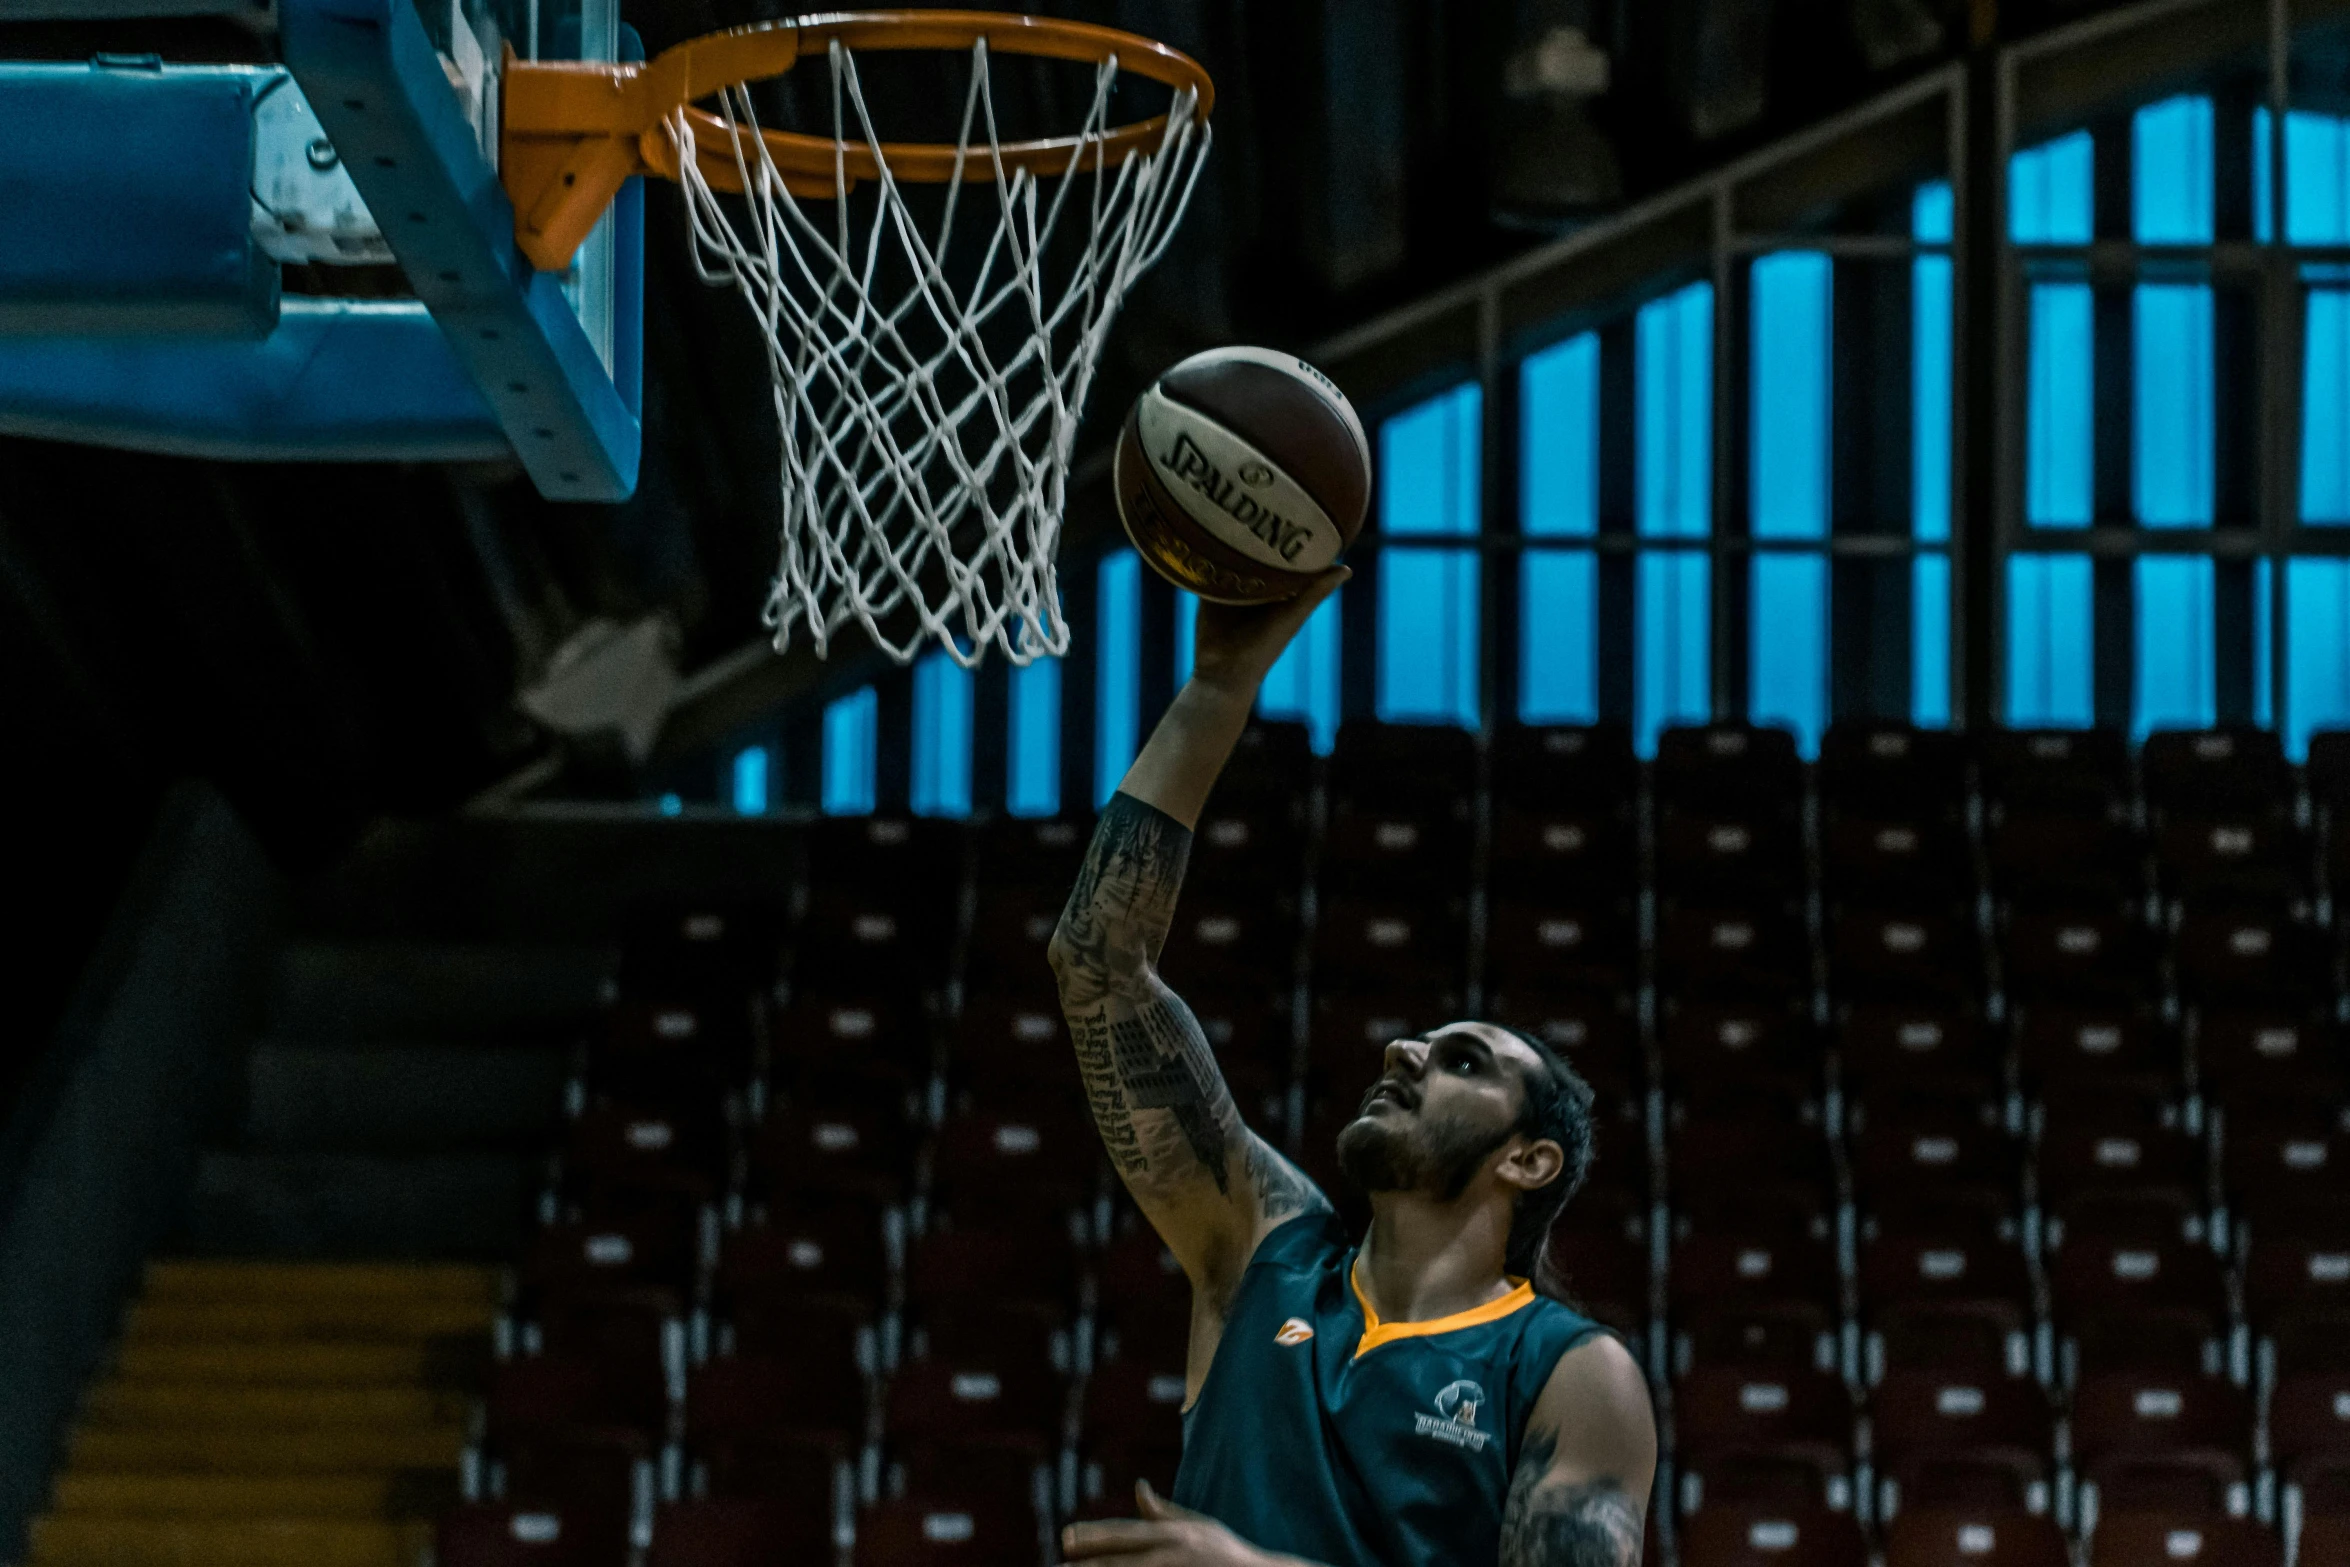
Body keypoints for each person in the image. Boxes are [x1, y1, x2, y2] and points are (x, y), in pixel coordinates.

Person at [1048, 567, 1656, 1567]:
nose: (1404, 1050)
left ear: (1529, 1159)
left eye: (1462, 1059)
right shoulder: (1262, 1253)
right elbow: (1097, 966)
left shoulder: (1566, 1370)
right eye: (1418, 1039)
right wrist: (1216, 689)